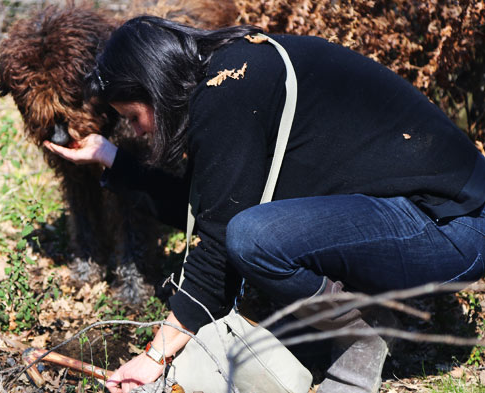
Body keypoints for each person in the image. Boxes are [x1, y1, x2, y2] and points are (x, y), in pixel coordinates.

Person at [43, 15, 485, 393]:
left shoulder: (229, 91)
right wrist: (112, 160)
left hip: (455, 228)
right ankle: (341, 325)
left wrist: (155, 355)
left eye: (134, 117)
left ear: (154, 87)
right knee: (250, 232)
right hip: (429, 219)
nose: (137, 132)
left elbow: (218, 238)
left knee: (255, 237)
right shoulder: (231, 73)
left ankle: (359, 338)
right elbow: (206, 211)